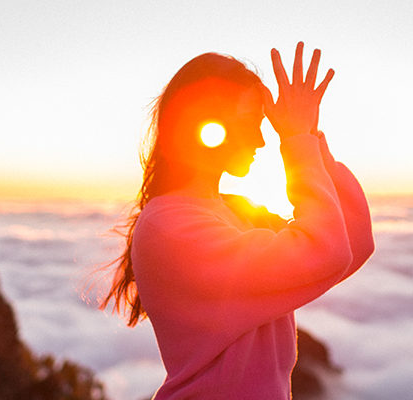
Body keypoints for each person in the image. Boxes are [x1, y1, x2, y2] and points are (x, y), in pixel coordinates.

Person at [101, 42, 374, 399]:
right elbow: (327, 251)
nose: (263, 140)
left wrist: (309, 137)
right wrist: (294, 140)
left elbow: (353, 242)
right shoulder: (169, 228)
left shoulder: (235, 212)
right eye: (252, 123)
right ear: (213, 126)